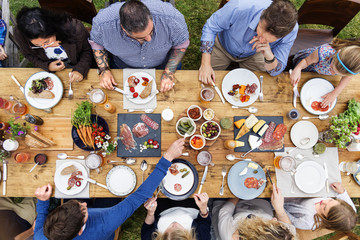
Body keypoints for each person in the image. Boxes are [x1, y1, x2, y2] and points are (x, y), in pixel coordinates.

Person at [33, 138, 185, 240]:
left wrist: (42, 203)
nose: (84, 204)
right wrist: (167, 158)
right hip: (102, 224)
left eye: (78, 204)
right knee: (113, 194)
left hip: (76, 222)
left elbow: (38, 229)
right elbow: (139, 197)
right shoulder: (107, 223)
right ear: (80, 231)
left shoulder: (43, 235)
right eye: (83, 210)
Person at [89, 0, 189, 92]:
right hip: (123, 66)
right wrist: (104, 70)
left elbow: (181, 45)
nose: (149, 39)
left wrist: (169, 72)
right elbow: (97, 44)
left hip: (163, 66)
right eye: (141, 38)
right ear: (124, 29)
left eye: (151, 31)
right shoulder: (102, 24)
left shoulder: (173, 19)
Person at [199, 0, 298, 85]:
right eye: (260, 32)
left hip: (256, 53)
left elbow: (276, 70)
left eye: (268, 40)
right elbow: (211, 26)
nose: (262, 40)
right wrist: (205, 64)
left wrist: (269, 56)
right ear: (262, 16)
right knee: (204, 79)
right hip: (222, 46)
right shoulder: (239, 6)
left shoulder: (291, 31)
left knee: (260, 85)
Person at [15, 7, 94, 83]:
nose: (44, 47)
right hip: (53, 75)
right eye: (37, 44)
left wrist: (80, 69)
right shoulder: (21, 34)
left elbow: (87, 50)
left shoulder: (75, 29)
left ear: (53, 31)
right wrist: (47, 66)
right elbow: (28, 54)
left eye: (46, 42)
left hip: (78, 64)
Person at [290, 38, 360, 108]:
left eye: (337, 74)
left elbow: (347, 77)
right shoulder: (323, 52)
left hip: (321, 72)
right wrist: (298, 68)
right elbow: (306, 61)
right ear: (337, 53)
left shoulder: (349, 69)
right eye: (332, 68)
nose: (332, 73)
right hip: (310, 64)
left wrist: (335, 93)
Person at [211, 184, 296, 240]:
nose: (275, 219)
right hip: (262, 201)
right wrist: (279, 209)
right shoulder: (286, 236)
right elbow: (289, 227)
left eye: (268, 225)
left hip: (229, 204)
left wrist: (239, 194)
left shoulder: (231, 236)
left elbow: (225, 211)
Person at [283, 182, 357, 232]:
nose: (323, 201)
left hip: (286, 201)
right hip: (302, 190)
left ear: (326, 219)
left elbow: (289, 220)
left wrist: (279, 208)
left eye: (324, 208)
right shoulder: (350, 211)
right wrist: (341, 191)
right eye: (330, 200)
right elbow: (343, 195)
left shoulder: (308, 222)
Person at [141, 193, 211, 240]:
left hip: (162, 210)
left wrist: (150, 212)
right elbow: (204, 221)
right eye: (178, 229)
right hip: (191, 206)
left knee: (161, 184)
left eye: (169, 231)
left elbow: (147, 227)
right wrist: (203, 208)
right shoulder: (201, 237)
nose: (174, 224)